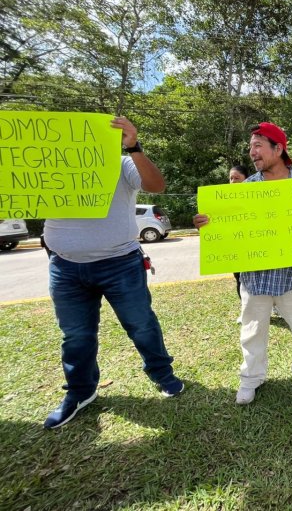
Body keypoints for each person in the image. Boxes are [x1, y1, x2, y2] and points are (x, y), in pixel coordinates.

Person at [43, 117, 184, 430]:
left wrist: (133, 146)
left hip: (120, 262)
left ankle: (162, 374)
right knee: (76, 336)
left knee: (141, 324)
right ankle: (80, 392)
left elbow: (156, 185)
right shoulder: (46, 168)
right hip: (65, 267)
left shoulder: (122, 164)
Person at [194, 123, 292, 404]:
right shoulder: (244, 190)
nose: (252, 153)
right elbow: (228, 229)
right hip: (254, 278)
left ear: (278, 149)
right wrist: (207, 224)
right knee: (252, 331)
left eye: (258, 146)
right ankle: (250, 378)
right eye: (250, 147)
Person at [228, 165, 250, 299]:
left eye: (237, 178)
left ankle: (273, 306)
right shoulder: (222, 200)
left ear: (247, 179)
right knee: (239, 278)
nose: (233, 181)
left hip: (255, 245)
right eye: (231, 178)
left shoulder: (257, 197)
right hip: (235, 246)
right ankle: (244, 308)